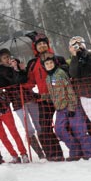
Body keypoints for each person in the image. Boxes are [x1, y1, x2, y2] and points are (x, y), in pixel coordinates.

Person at [42, 53, 91, 161]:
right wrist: (45, 96)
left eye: (51, 63)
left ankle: (90, 154)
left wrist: (72, 106)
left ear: (54, 63)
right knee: (59, 130)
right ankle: (75, 150)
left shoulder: (60, 73)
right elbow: (54, 92)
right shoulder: (48, 78)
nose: (49, 65)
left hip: (71, 106)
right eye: (46, 64)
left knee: (79, 130)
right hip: (60, 108)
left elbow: (69, 89)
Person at [0, 48, 45, 159]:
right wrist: (14, 71)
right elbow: (10, 83)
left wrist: (19, 69)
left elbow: (24, 79)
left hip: (29, 97)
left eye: (8, 56)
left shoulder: (16, 65)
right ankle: (39, 153)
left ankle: (47, 149)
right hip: (17, 102)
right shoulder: (1, 72)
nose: (8, 59)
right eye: (4, 58)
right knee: (28, 128)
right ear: (1, 61)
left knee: (39, 124)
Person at [25, 33, 65, 161]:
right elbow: (30, 81)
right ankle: (54, 154)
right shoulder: (33, 63)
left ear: (48, 45)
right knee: (45, 126)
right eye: (39, 44)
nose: (42, 46)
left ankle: (78, 151)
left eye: (44, 43)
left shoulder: (57, 58)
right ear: (35, 47)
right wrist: (21, 81)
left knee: (67, 125)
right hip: (44, 99)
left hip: (60, 96)